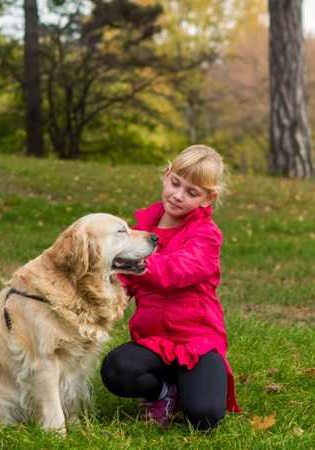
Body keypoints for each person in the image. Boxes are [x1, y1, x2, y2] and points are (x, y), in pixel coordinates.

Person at [101, 144, 241, 431]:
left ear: (208, 198)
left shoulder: (206, 235)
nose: (178, 195)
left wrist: (136, 263)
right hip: (153, 341)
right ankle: (162, 392)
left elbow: (179, 270)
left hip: (196, 341)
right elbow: (122, 283)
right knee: (115, 369)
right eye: (175, 183)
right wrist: (102, 295)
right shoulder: (141, 230)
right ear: (167, 175)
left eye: (192, 192)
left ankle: (191, 386)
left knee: (204, 416)